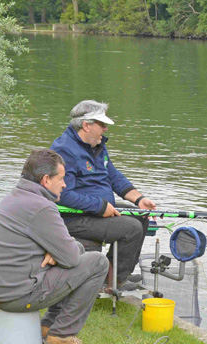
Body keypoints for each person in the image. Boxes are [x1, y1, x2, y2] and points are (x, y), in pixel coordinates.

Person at [0, 149, 109, 344]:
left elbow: (69, 252)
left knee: (79, 250)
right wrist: (59, 254)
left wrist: (58, 254)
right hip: (15, 295)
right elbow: (71, 257)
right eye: (61, 178)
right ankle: (62, 334)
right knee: (98, 262)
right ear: (46, 180)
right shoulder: (42, 207)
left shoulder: (14, 197)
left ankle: (48, 326)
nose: (64, 185)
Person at [50, 100, 157, 291]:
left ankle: (118, 274)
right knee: (131, 228)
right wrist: (100, 206)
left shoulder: (97, 145)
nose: (106, 129)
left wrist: (139, 199)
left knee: (141, 217)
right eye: (102, 124)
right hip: (75, 217)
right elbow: (63, 195)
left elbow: (113, 176)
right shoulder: (64, 150)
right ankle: (109, 283)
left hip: (98, 210)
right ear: (86, 125)